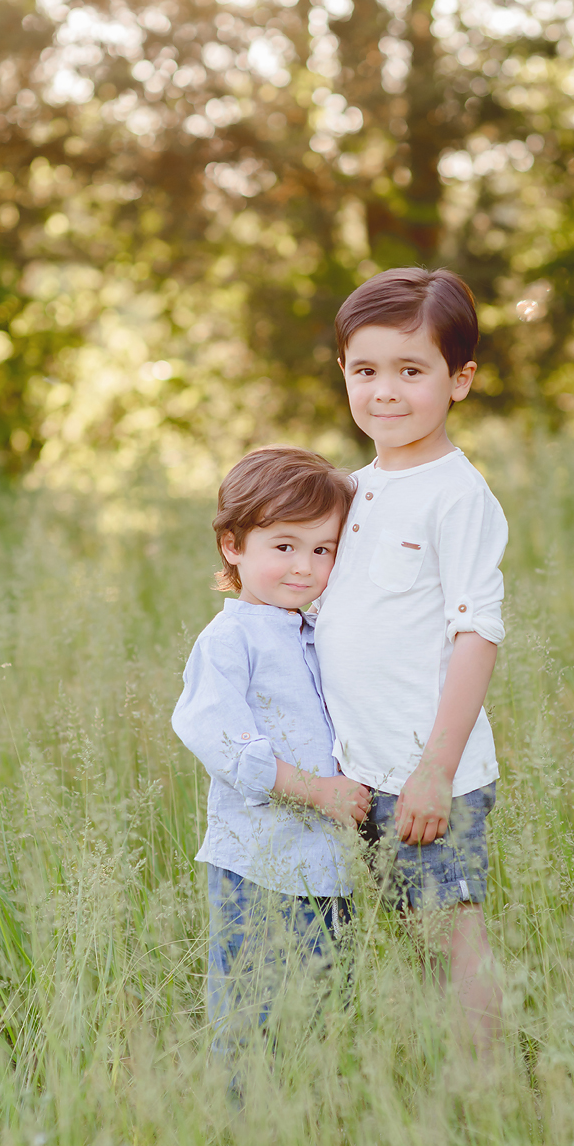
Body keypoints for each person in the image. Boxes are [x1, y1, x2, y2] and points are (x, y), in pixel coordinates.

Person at [314, 267, 508, 1059]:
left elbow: (476, 635)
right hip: (362, 775)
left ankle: (488, 1093)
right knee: (410, 937)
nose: (385, 392)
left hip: (429, 773)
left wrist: (434, 768)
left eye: (410, 370)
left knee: (451, 939)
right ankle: (438, 1074)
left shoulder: (455, 496)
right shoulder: (348, 490)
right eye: (366, 370)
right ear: (343, 375)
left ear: (458, 380)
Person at [171, 447, 371, 1082]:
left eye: (323, 550)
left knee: (321, 1005)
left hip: (323, 865)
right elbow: (218, 738)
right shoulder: (230, 639)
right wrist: (317, 792)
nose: (305, 567)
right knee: (255, 1010)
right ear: (233, 545)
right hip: (258, 862)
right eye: (284, 546)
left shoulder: (317, 631)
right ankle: (244, 1135)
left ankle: (308, 1128)